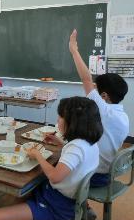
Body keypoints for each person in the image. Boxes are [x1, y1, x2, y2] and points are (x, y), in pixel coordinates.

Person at [0, 97, 102, 220]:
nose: (58, 120)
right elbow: (78, 158)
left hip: (58, 205)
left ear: (74, 122)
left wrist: (37, 155)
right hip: (64, 198)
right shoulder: (90, 143)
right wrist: (61, 143)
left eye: (61, 117)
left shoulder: (76, 148)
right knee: (25, 190)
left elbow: (55, 177)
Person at [46, 30, 129, 188]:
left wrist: (73, 50)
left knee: (48, 173)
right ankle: (84, 206)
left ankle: (67, 203)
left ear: (104, 95)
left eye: (97, 90)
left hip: (94, 174)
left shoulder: (104, 110)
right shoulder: (123, 116)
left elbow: (86, 78)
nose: (93, 91)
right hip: (106, 172)